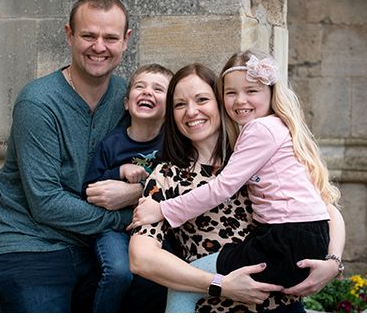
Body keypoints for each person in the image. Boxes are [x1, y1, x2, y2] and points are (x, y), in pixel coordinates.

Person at [0, 0, 165, 312]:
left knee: (156, 288)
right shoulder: (38, 103)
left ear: (126, 40)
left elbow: (169, 157)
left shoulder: (129, 96)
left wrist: (135, 191)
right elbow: (46, 204)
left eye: (110, 37)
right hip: (28, 245)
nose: (99, 47)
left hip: (94, 247)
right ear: (69, 34)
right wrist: (125, 216)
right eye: (88, 35)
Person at [128, 63, 345, 313]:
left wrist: (333, 263)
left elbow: (327, 209)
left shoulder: (254, 156)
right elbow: (141, 258)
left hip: (280, 304)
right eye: (179, 104)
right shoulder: (168, 174)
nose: (191, 111)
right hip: (215, 306)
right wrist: (221, 284)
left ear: (221, 104)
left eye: (202, 99)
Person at [81, 63, 173, 312]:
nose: (147, 92)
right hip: (113, 229)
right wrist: (118, 171)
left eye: (158, 89)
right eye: (140, 87)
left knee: (163, 274)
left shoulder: (171, 144)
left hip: (154, 227)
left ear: (171, 108)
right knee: (119, 272)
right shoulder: (111, 144)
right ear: (126, 103)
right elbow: (88, 188)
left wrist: (143, 185)